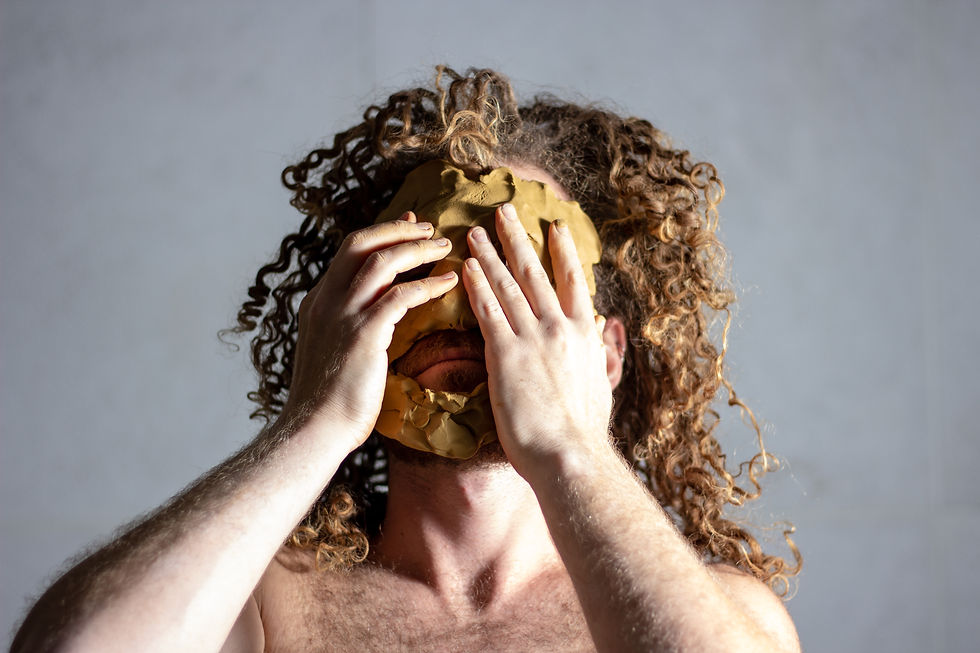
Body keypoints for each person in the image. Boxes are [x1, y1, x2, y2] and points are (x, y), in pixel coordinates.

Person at [12, 66, 802, 652]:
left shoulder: (718, 611)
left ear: (607, 353)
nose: (470, 306)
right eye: (424, 268)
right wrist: (313, 422)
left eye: (520, 272)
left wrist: (570, 447)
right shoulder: (265, 609)